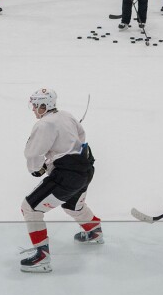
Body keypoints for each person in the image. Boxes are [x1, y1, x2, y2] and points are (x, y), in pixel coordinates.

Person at [18, 88, 102, 274]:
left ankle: (42, 258)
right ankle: (94, 232)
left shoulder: (44, 125)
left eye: (35, 105)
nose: (33, 109)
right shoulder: (66, 115)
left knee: (30, 208)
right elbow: (81, 136)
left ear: (43, 105)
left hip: (68, 175)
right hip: (86, 168)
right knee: (73, 206)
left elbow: (33, 154)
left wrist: (37, 169)